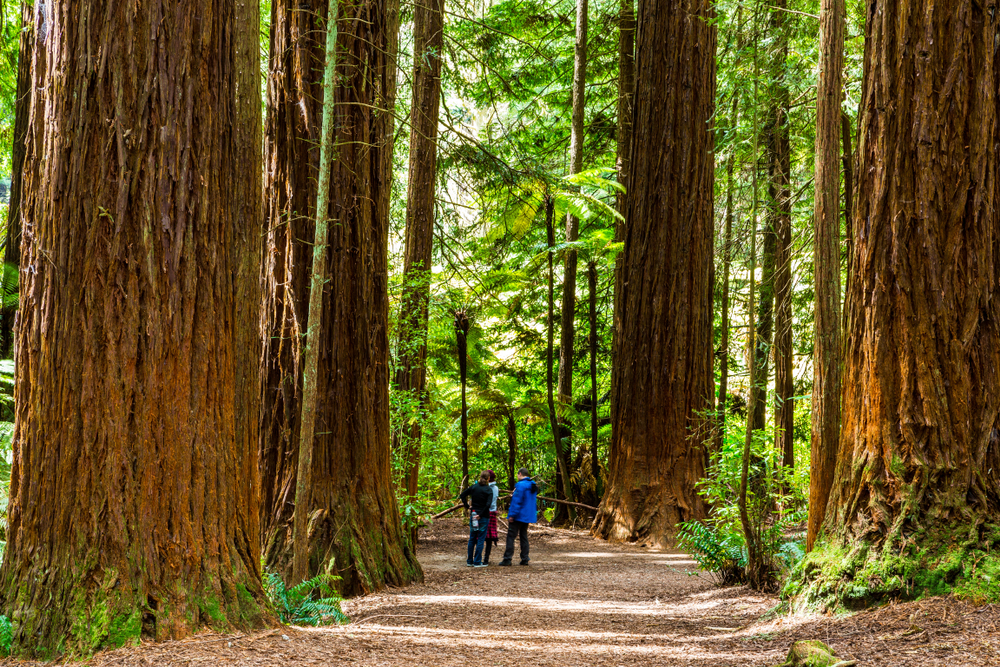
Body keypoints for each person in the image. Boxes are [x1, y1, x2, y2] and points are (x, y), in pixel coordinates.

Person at [498, 467, 539, 566]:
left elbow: (517, 502)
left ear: (520, 474)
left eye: (517, 475)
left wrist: (512, 515)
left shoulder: (520, 486)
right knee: (523, 536)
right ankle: (525, 558)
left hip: (518, 515)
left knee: (511, 537)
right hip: (527, 516)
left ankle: (507, 559)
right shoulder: (532, 485)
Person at [460, 470, 493, 567]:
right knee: (481, 539)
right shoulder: (488, 490)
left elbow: (462, 495)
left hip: (474, 515)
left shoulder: (474, 487)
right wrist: (481, 515)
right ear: (488, 479)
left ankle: (469, 560)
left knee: (472, 538)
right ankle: (477, 561)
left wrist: (467, 506)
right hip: (483, 517)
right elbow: (488, 504)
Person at [483, 470, 500, 565]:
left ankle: (478, 558)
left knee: (481, 537)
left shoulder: (484, 488)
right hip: (492, 512)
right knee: (489, 539)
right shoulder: (496, 488)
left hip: (485, 513)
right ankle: (486, 559)